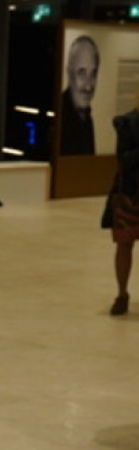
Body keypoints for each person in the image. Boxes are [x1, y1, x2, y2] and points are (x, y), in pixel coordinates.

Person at [102, 89, 139, 315]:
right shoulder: (125, 123)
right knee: (124, 244)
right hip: (129, 193)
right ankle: (122, 293)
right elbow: (124, 159)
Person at [60, 34, 99, 155]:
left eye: (93, 74)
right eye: (81, 73)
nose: (88, 86)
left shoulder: (86, 118)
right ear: (69, 73)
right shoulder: (60, 117)